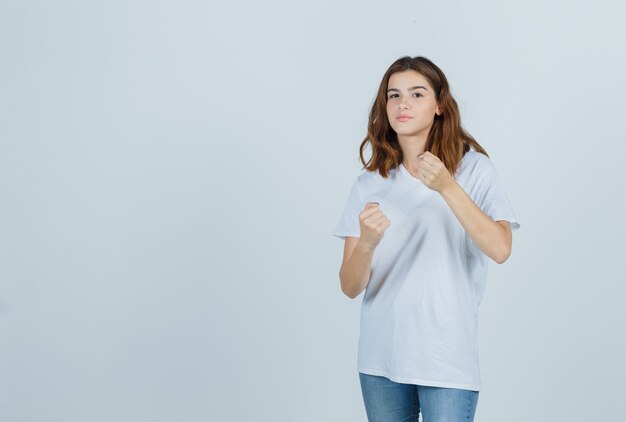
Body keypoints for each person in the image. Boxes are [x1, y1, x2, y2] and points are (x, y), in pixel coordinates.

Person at [332, 56, 520, 421]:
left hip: (445, 358)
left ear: (439, 106)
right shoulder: (369, 183)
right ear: (383, 107)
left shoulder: (474, 169)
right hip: (380, 360)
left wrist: (448, 188)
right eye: (394, 95)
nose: (403, 104)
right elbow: (349, 286)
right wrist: (368, 243)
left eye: (417, 94)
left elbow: (500, 249)